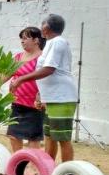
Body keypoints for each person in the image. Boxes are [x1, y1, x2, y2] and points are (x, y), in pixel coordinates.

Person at [10, 14, 78, 162]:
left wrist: (20, 79)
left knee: (62, 138)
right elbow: (46, 74)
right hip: (52, 97)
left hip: (62, 97)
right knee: (50, 137)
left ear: (47, 27)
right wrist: (41, 95)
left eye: (42, 24)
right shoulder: (50, 44)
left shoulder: (58, 42)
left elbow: (49, 69)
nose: (41, 27)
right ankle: (49, 171)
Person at [6, 27, 46, 152]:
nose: (22, 41)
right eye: (21, 39)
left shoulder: (43, 57)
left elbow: (47, 78)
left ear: (36, 40)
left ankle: (33, 166)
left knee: (33, 138)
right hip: (17, 102)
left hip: (34, 104)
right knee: (13, 135)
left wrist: (43, 96)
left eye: (25, 38)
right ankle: (19, 162)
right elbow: (6, 74)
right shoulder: (18, 57)